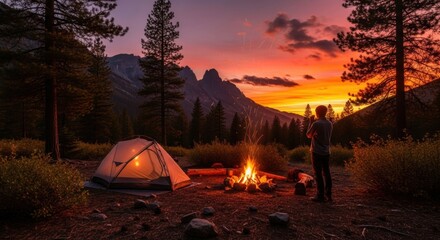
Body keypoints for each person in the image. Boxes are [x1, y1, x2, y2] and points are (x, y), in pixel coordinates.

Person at [306, 105, 333, 202]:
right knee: (327, 173)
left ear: (317, 112)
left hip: (316, 151)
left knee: (318, 174)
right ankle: (328, 195)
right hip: (326, 151)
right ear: (325, 112)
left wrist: (310, 122)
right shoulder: (329, 123)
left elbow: (308, 135)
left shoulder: (316, 124)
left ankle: (320, 195)